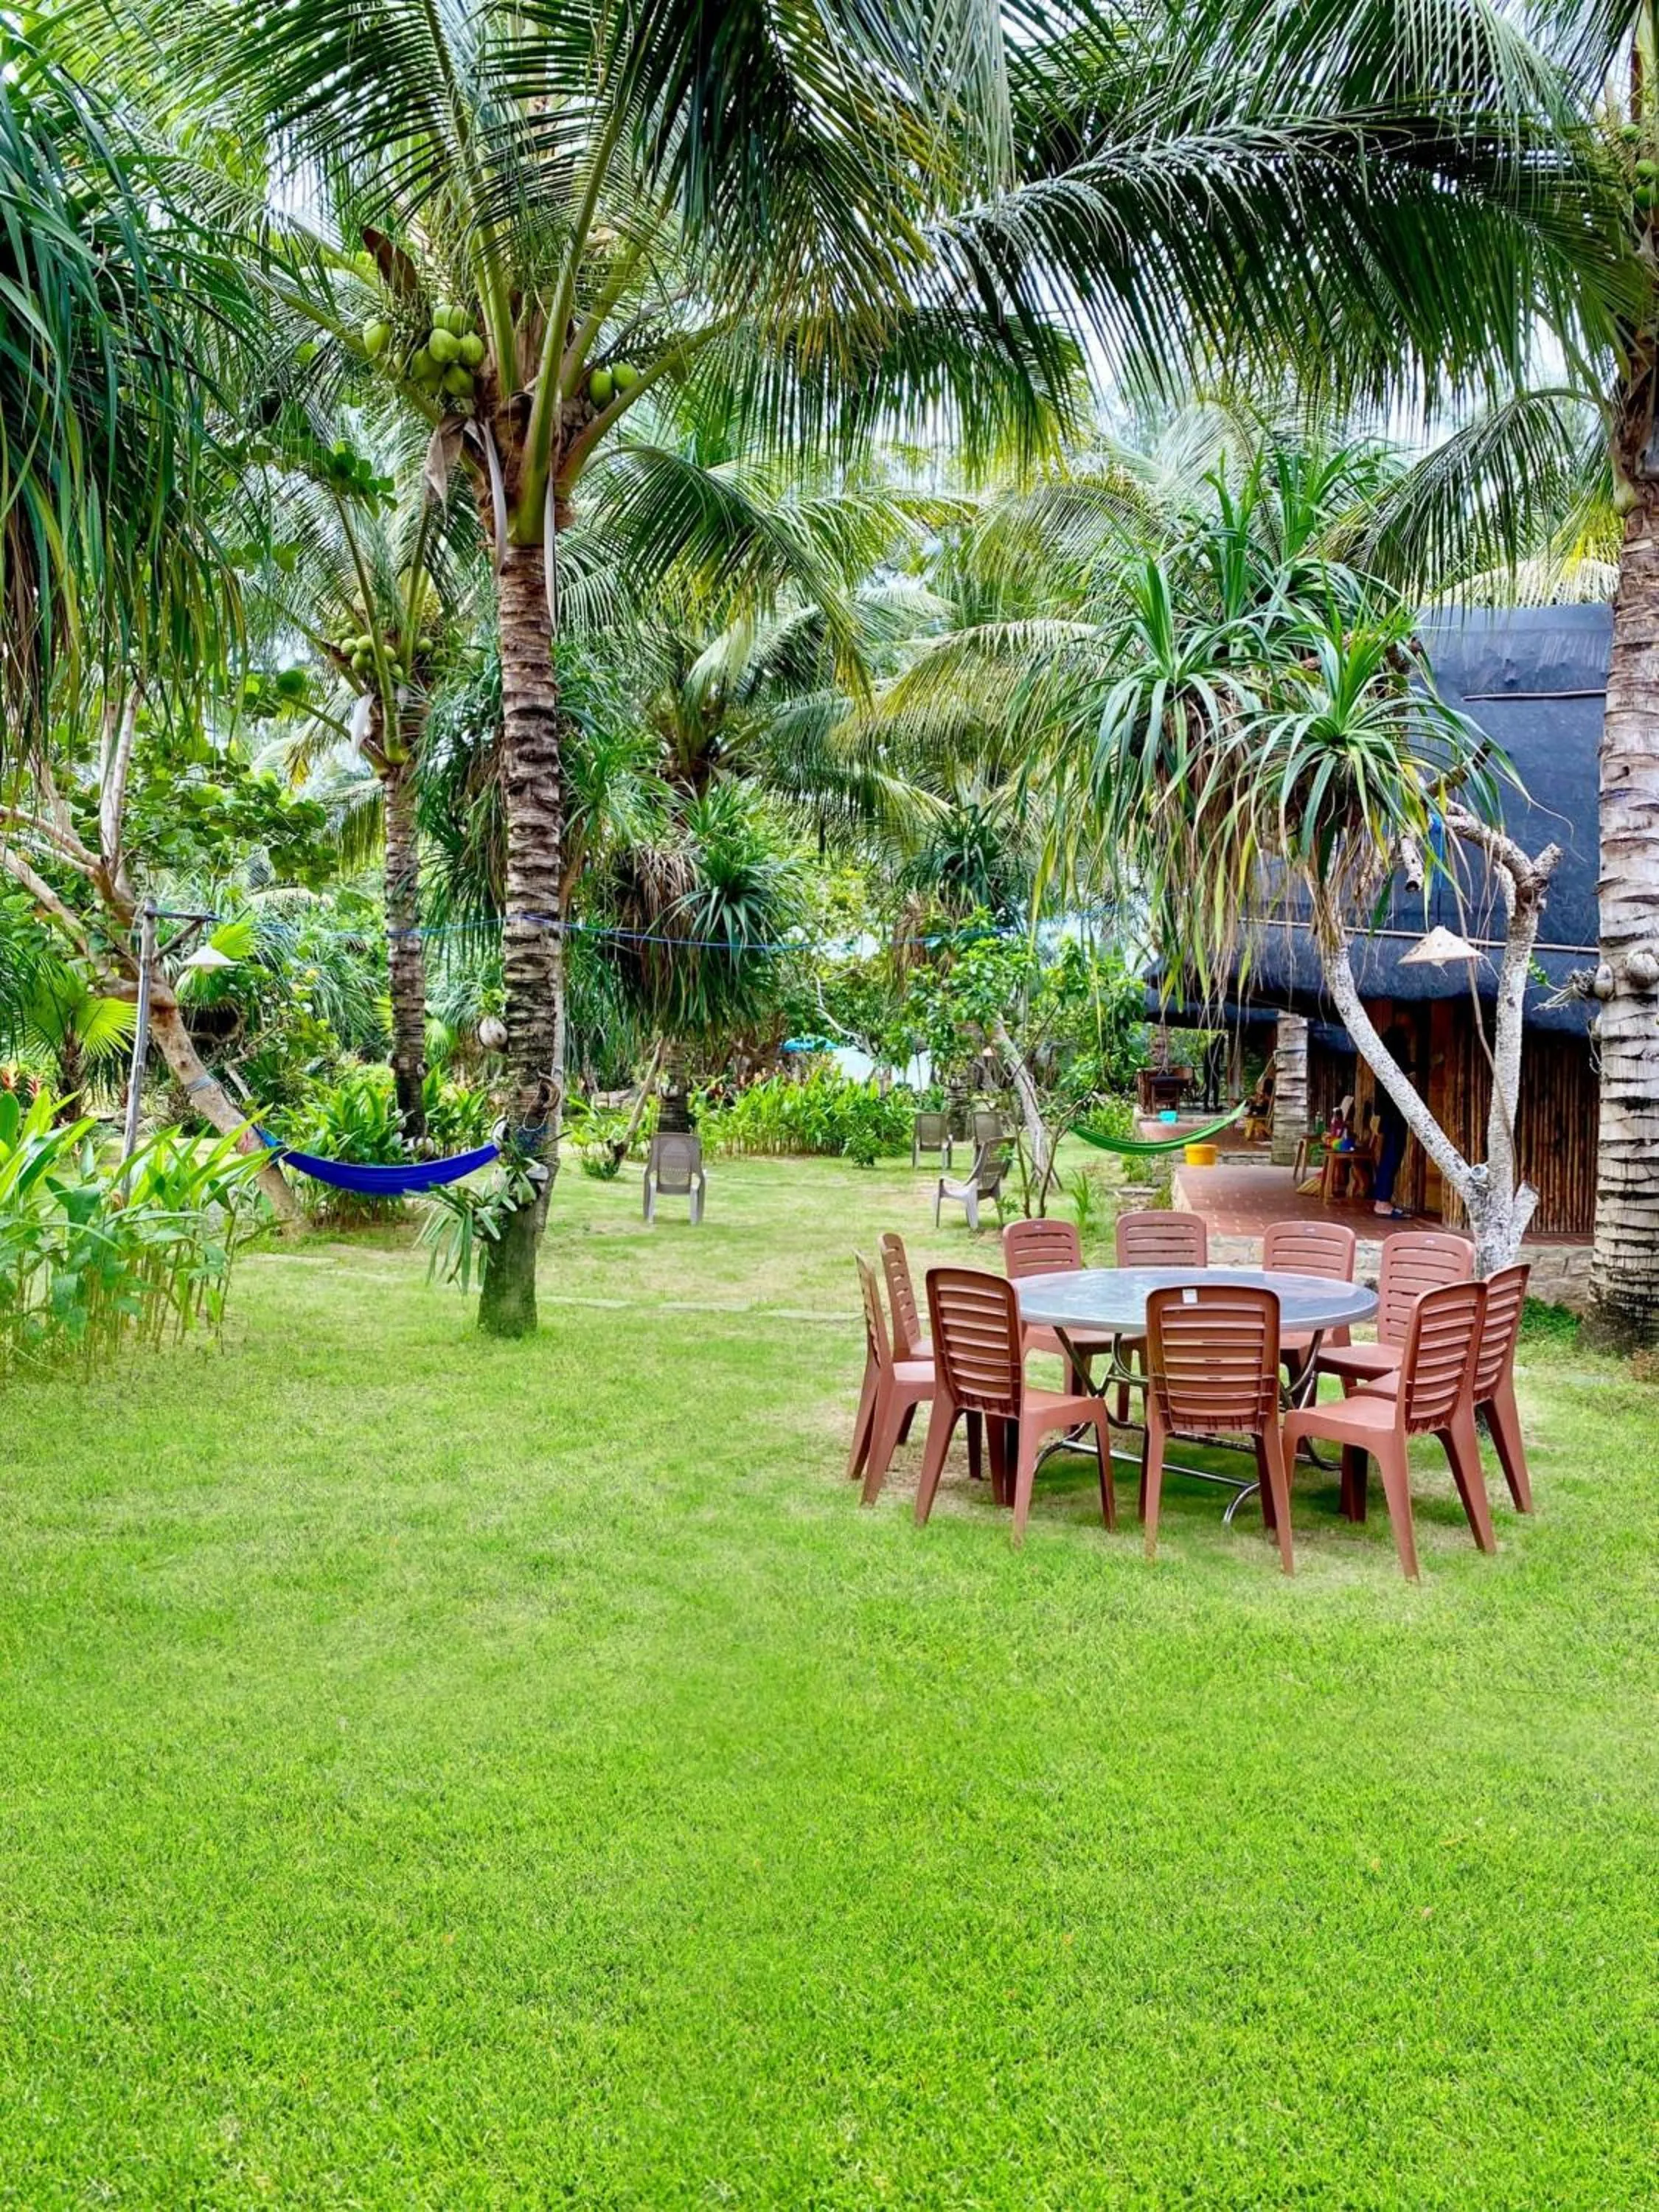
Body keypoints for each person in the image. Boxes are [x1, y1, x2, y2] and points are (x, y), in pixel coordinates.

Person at [1372, 1026, 1416, 1218]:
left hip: (1388, 1111)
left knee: (1390, 1154)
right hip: (1393, 1112)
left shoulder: (1383, 1053)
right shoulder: (1394, 1055)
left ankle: (1382, 1199)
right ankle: (1382, 1201)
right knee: (1392, 1154)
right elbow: (1404, 1069)